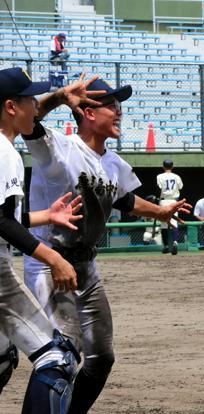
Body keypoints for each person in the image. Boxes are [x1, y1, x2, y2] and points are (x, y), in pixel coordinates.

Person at [22, 76, 190, 414]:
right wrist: (57, 97)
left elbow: (125, 200)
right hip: (51, 263)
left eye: (119, 105)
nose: (118, 111)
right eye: (110, 105)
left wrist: (161, 212)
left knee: (101, 358)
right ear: (86, 112)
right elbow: (25, 120)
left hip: (87, 267)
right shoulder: (59, 147)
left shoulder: (112, 163)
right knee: (62, 353)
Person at [0, 66, 87, 413]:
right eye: (28, 99)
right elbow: (1, 220)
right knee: (57, 358)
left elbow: (9, 217)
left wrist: (45, 216)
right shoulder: (5, 153)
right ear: (10, 107)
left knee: (3, 359)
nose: (34, 106)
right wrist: (54, 258)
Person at [157, 158, 183, 255]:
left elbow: (159, 189)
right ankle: (175, 242)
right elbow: (180, 187)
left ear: (163, 166)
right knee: (174, 223)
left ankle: (166, 246)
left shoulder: (159, 176)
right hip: (173, 201)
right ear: (172, 166)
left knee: (164, 224)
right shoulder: (177, 176)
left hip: (163, 201)